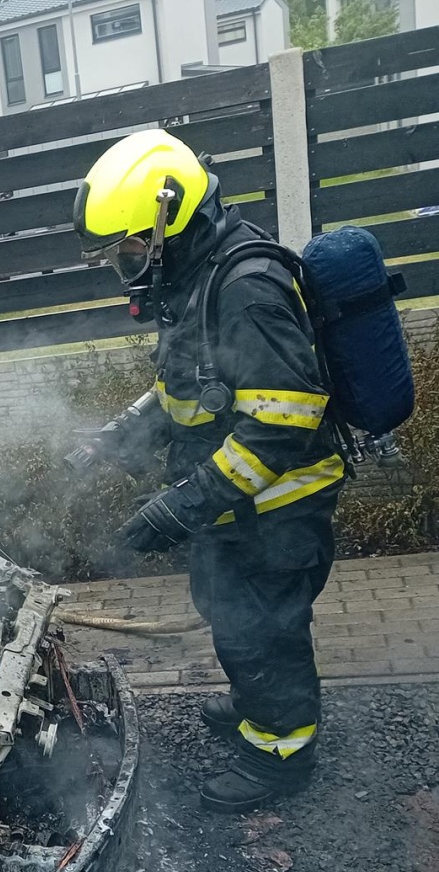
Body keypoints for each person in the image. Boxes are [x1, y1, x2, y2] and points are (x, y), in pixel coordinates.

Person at [71, 130, 344, 813]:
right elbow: (188, 392)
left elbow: (282, 421)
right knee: (234, 620)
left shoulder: (245, 290)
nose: (125, 265)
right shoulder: (199, 277)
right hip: (240, 509)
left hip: (279, 508)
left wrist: (183, 504)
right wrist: (116, 438)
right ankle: (260, 706)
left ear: (172, 219)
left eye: (130, 248)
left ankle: (279, 754)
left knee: (263, 631)